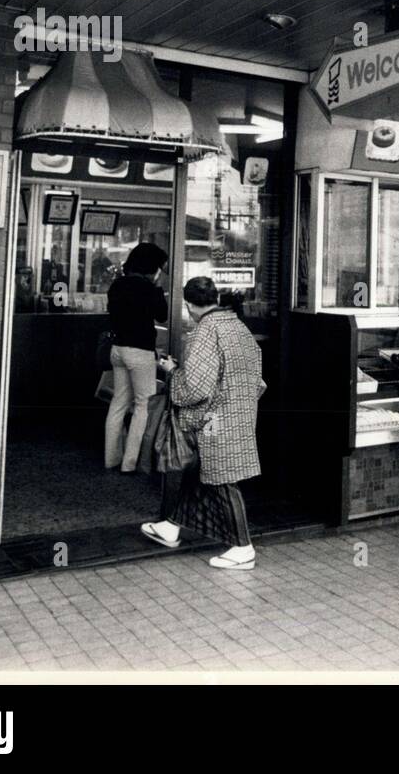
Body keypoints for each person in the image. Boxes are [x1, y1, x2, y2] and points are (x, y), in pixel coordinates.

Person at [140, 277, 264, 571]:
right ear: (216, 298)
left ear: (189, 305)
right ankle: (171, 526)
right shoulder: (238, 327)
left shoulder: (202, 333)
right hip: (239, 411)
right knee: (200, 468)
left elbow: (195, 388)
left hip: (213, 418)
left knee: (221, 477)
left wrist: (171, 372)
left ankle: (243, 547)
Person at [103, 241, 169, 473]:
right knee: (143, 405)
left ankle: (111, 458)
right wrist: (158, 287)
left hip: (118, 349)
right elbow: (162, 315)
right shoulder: (148, 288)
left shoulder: (117, 285)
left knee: (119, 402)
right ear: (152, 266)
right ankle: (130, 463)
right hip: (140, 351)